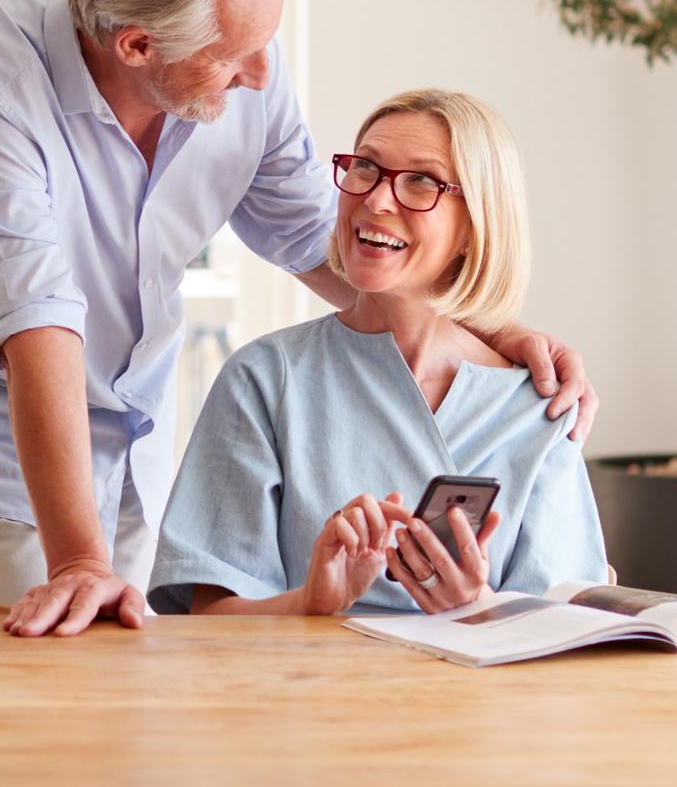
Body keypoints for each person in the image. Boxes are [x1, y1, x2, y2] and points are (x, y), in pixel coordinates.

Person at [0, 0, 600, 636]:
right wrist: (79, 561)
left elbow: (325, 238)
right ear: (138, 45)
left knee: (121, 675)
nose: (260, 74)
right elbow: (36, 315)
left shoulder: (246, 63)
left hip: (132, 433)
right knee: (50, 665)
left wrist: (487, 329)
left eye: (264, 44)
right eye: (234, 56)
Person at [147, 88, 606, 617]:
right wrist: (309, 604)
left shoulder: (537, 406)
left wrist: (477, 608)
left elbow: (572, 628)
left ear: (475, 226)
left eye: (421, 181)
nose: (377, 200)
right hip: (306, 674)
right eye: (365, 167)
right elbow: (209, 616)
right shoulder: (266, 378)